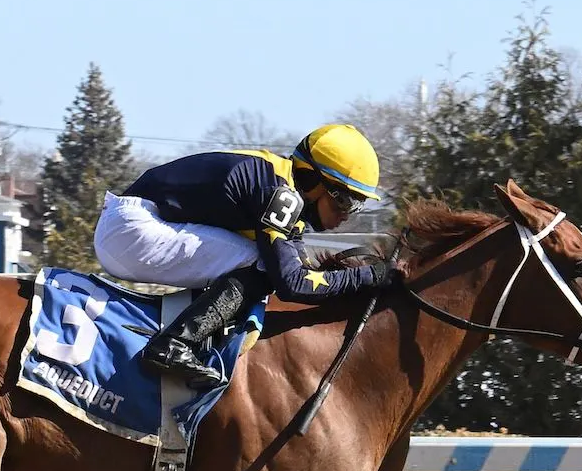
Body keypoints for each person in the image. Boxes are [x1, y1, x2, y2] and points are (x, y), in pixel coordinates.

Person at [93, 123, 398, 388]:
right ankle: (172, 344)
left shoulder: (281, 188)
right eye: (344, 201)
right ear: (313, 182)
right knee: (261, 263)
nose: (347, 215)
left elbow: (298, 269)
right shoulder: (282, 196)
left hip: (133, 224)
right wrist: (370, 275)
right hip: (130, 229)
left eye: (357, 206)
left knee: (262, 261)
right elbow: (293, 283)